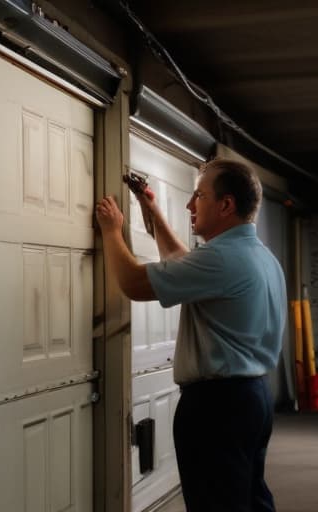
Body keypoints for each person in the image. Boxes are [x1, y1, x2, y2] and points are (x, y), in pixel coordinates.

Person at [95, 158, 287, 512]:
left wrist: (111, 230)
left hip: (217, 407)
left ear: (226, 204)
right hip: (252, 398)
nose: (189, 205)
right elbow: (181, 261)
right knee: (249, 499)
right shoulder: (257, 255)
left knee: (216, 504)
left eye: (198, 195)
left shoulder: (222, 259)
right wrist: (150, 210)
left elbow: (134, 283)